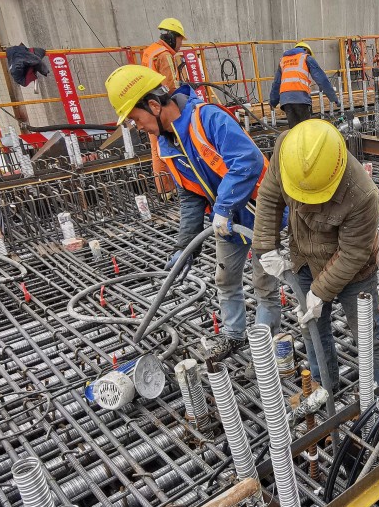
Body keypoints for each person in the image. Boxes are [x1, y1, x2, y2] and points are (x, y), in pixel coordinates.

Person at [104, 65, 280, 360]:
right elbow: (190, 196)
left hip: (260, 210)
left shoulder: (208, 119)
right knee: (225, 280)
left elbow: (246, 161)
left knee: (264, 284)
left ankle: (264, 354)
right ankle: (234, 337)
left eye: (137, 119)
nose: (140, 128)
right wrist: (184, 246)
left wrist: (223, 207)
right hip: (227, 220)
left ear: (154, 105)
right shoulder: (167, 143)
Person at [253, 119, 379, 389]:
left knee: (368, 333)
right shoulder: (288, 151)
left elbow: (353, 253)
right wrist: (266, 246)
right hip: (304, 259)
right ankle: (324, 389)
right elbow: (269, 196)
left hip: (354, 270)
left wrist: (320, 292)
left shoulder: (362, 194)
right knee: (312, 329)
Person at [141, 18, 186, 196]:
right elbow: (172, 87)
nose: (181, 44)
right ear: (172, 37)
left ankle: (164, 189)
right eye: (181, 39)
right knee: (171, 146)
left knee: (157, 149)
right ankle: (173, 188)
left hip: (148, 106)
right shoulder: (165, 55)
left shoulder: (150, 51)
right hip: (161, 109)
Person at [268, 42, 339, 128]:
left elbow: (276, 83)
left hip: (286, 101)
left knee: (294, 131)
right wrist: (334, 98)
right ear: (306, 50)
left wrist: (273, 102)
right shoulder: (306, 57)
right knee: (306, 129)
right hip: (301, 99)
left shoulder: (283, 61)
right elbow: (322, 79)